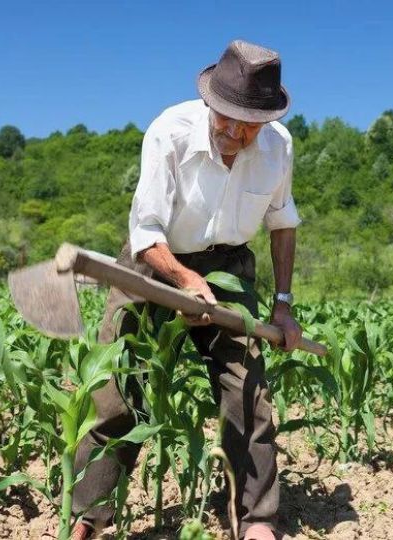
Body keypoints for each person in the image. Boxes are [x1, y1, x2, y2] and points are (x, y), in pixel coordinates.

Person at [69, 40, 302, 540]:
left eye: (248, 124)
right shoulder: (169, 132)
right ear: (210, 103)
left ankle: (258, 518)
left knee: (247, 391)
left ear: (266, 118)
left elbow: (283, 224)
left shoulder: (278, 146)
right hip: (156, 262)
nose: (235, 133)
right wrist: (184, 279)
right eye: (226, 119)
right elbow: (146, 231)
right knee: (118, 391)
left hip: (231, 267)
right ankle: (89, 515)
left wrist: (282, 305)